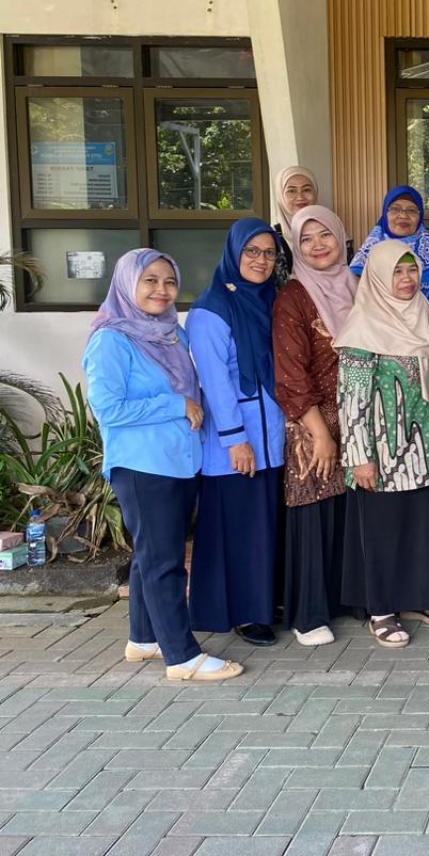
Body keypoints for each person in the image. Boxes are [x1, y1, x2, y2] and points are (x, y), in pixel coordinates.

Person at [83, 249, 241, 682]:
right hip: (143, 465)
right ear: (127, 284)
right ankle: (182, 656)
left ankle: (144, 638)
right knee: (164, 562)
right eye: (149, 280)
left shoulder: (172, 333)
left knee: (149, 554)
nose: (161, 290)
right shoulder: (112, 340)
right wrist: (176, 404)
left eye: (169, 282)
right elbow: (109, 410)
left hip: (178, 462)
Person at [336, 240, 429, 648]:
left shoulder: (426, 316)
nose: (406, 279)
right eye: (397, 272)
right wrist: (360, 458)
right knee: (383, 531)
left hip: (425, 449)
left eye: (412, 270)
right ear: (378, 277)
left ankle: (422, 598)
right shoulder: (362, 328)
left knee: (422, 526)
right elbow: (351, 400)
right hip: (382, 452)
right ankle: (382, 609)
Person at [185, 218, 286, 647]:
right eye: (252, 251)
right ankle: (244, 612)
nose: (261, 260)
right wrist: (235, 440)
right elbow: (216, 383)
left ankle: (263, 602)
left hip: (271, 438)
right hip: (236, 444)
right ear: (233, 252)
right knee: (239, 529)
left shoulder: (269, 300)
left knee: (262, 526)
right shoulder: (211, 310)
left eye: (269, 253)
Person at [272, 205, 357, 647]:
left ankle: (344, 599)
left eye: (325, 235)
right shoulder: (294, 296)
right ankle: (309, 614)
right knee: (313, 514)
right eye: (306, 239)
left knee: (347, 514)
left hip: (357, 422)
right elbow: (291, 374)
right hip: (313, 425)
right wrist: (320, 433)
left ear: (340, 237)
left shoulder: (357, 287)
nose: (318, 245)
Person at [351, 185, 429, 320]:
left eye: (411, 210)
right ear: (385, 214)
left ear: (420, 217)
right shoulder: (367, 258)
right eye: (395, 209)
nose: (403, 215)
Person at [272, 165, 318, 285]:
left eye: (306, 190)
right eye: (291, 191)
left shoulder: (332, 232)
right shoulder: (270, 238)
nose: (300, 197)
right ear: (280, 196)